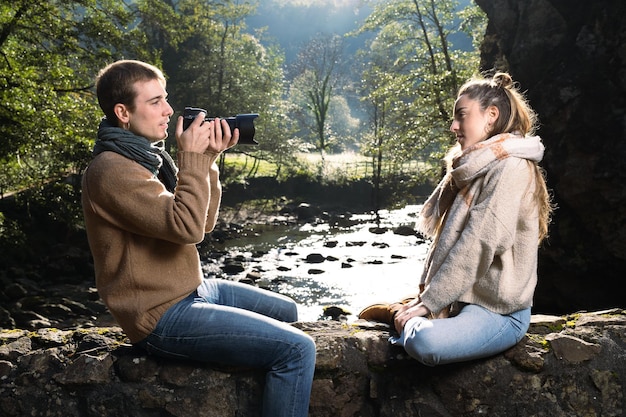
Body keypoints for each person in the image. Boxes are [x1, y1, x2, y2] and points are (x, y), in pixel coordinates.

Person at [81, 59, 316, 417]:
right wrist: (192, 159)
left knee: (288, 311)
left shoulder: (149, 159)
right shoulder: (111, 170)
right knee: (298, 350)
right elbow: (186, 227)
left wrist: (206, 160)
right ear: (122, 112)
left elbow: (202, 225)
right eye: (155, 101)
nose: (168, 110)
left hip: (193, 289)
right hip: (159, 315)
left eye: (166, 98)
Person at [358, 72, 554, 366]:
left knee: (425, 343)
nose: (453, 126)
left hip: (499, 312)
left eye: (461, 116)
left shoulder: (511, 167)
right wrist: (432, 300)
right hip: (462, 297)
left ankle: (400, 314)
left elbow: (478, 243)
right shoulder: (476, 165)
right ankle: (410, 310)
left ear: (491, 116)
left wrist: (428, 303)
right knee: (426, 332)